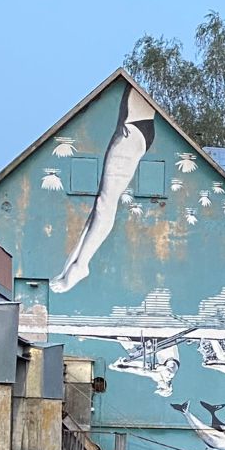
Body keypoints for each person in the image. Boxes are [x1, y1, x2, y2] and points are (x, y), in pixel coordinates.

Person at [50, 86, 156, 294]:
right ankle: (75, 263)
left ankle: (81, 265)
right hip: (132, 125)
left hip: (133, 129)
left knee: (104, 204)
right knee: (101, 203)